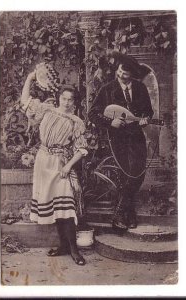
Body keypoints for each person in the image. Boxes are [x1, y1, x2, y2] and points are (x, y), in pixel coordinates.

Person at [21, 67, 88, 265]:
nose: (67, 103)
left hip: (61, 165)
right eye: (64, 98)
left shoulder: (76, 122)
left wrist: (68, 166)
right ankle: (63, 246)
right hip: (43, 162)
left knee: (66, 208)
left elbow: (82, 149)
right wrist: (30, 77)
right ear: (59, 98)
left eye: (71, 100)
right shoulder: (46, 110)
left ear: (75, 102)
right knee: (56, 208)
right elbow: (25, 101)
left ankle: (75, 250)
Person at [88, 60, 154, 231]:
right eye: (119, 71)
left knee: (138, 173)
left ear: (132, 75)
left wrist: (146, 118)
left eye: (124, 73)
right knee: (124, 174)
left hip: (136, 137)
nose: (120, 75)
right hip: (117, 139)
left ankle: (120, 212)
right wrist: (111, 122)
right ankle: (128, 214)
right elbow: (92, 113)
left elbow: (148, 111)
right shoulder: (108, 89)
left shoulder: (140, 88)